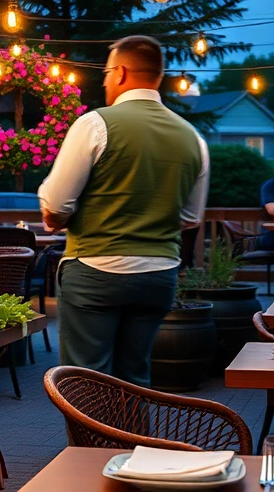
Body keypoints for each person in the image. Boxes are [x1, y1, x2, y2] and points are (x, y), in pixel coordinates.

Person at [37, 35, 209, 387]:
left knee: (86, 380)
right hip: (159, 273)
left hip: (95, 268)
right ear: (158, 77)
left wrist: (56, 215)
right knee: (135, 377)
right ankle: (131, 443)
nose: (102, 81)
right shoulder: (194, 138)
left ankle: (90, 445)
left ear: (120, 72)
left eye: (104, 73)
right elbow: (191, 218)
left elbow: (56, 207)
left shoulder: (94, 124)